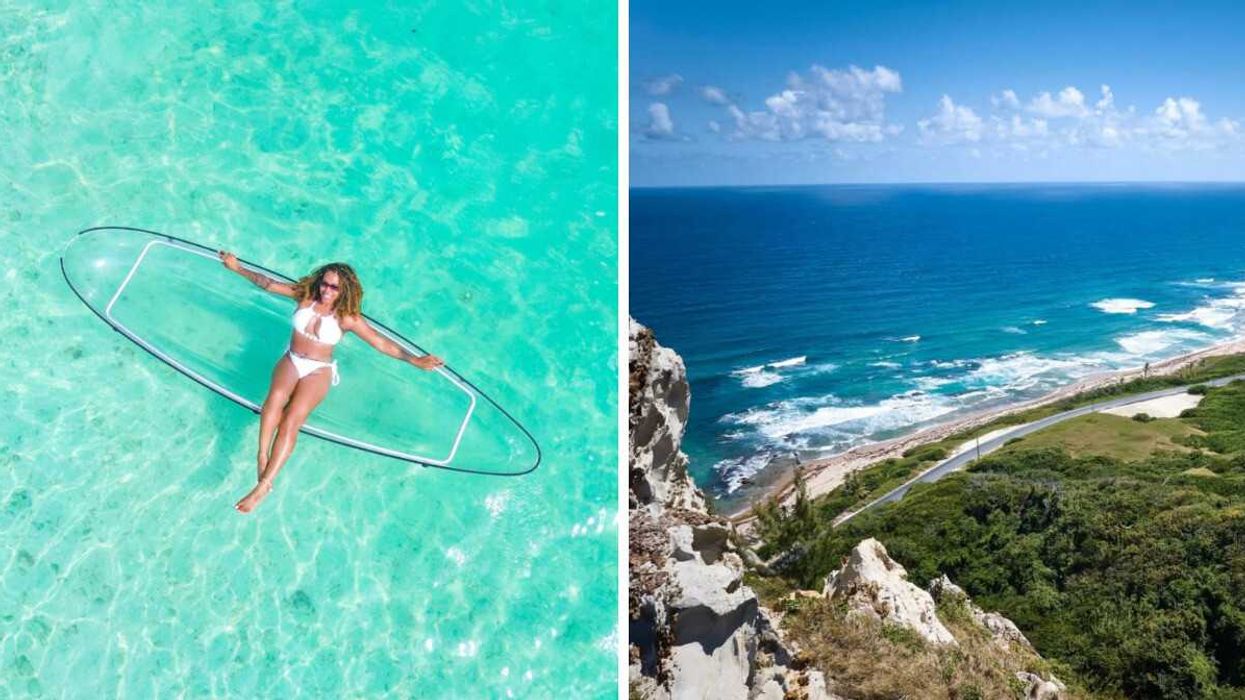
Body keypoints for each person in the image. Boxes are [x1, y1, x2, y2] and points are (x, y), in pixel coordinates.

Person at [218, 251, 444, 513]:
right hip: (292, 358)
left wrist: (414, 360)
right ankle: (262, 455)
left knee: (292, 419)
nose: (326, 289)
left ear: (344, 290)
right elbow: (266, 283)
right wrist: (236, 268)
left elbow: (380, 342)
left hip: (319, 370)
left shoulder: (347, 318)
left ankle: (264, 485)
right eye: (324, 283)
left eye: (334, 287)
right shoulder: (305, 296)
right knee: (275, 399)